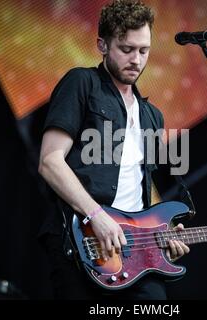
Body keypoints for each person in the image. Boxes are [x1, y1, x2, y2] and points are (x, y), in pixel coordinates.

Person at [38, 0, 190, 300]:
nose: (136, 59)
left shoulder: (153, 116)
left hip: (133, 252)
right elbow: (50, 162)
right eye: (126, 49)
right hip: (82, 241)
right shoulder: (82, 83)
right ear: (103, 45)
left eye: (143, 51)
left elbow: (138, 189)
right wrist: (96, 214)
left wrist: (162, 232)